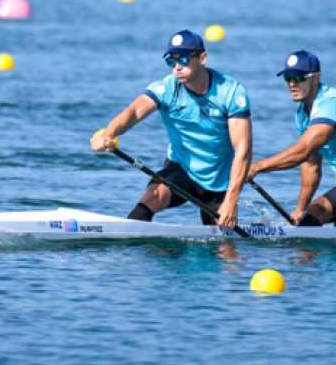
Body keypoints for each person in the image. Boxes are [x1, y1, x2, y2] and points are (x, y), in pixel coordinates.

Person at [91, 30, 252, 228]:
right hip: (181, 169)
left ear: (202, 58)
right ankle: (128, 247)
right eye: (171, 62)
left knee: (224, 251)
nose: (177, 68)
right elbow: (133, 112)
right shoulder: (167, 88)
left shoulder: (231, 92)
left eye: (183, 60)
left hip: (220, 179)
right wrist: (109, 134)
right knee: (152, 196)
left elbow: (243, 151)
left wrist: (231, 201)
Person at [247, 50, 336, 226]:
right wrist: (300, 209)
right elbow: (311, 164)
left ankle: (301, 253)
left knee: (317, 212)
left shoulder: (330, 103)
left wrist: (257, 167)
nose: (292, 84)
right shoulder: (303, 114)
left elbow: (303, 150)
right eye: (288, 78)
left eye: (298, 78)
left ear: (315, 78)